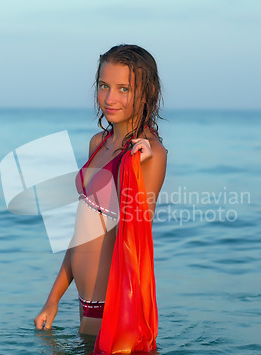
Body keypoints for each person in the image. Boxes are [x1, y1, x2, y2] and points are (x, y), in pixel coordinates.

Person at [34, 44, 167, 337]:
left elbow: (140, 231)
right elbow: (82, 232)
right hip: (87, 304)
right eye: (104, 86)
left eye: (124, 89)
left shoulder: (151, 153)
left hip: (116, 307)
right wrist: (53, 299)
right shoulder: (98, 144)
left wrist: (134, 169)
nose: (110, 98)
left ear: (149, 92)